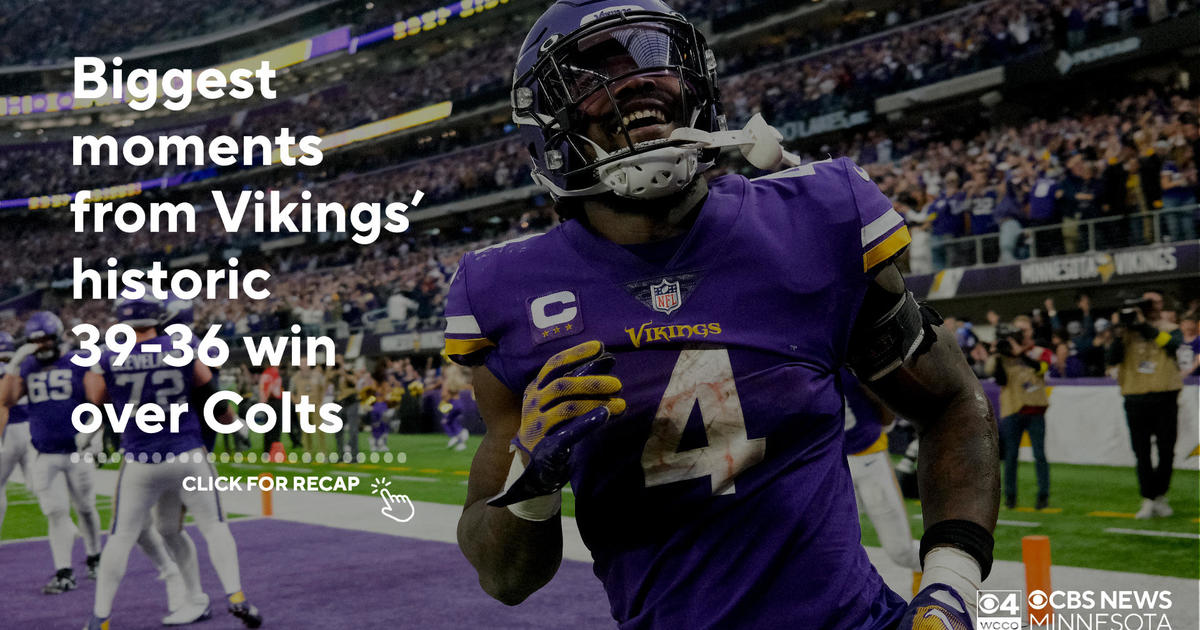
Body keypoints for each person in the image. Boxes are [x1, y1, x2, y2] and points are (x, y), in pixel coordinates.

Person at [448, 3, 1000, 627]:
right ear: (550, 121)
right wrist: (530, 482)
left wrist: (951, 586)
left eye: (655, 60)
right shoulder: (505, 289)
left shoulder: (814, 218)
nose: (636, 80)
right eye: (594, 71)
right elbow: (503, 578)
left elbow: (953, 402)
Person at [83, 295, 263, 629]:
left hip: (140, 458)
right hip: (187, 452)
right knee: (213, 526)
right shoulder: (182, 347)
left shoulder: (109, 354)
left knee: (121, 536)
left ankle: (100, 617)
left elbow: (95, 398)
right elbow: (211, 394)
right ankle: (236, 597)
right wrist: (235, 425)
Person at [841, 369, 922, 593]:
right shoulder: (803, 355)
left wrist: (883, 425)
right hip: (832, 464)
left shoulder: (848, 358)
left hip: (869, 455)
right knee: (834, 550)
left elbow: (885, 396)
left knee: (901, 550)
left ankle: (939, 586)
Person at [1105, 291, 1183, 519]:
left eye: (1157, 301)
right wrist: (1121, 331)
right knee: (1142, 452)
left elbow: (1171, 346)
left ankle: (1159, 494)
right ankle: (1148, 497)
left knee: (1167, 450)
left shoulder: (1169, 327)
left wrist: (1143, 326)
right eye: (1149, 302)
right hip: (1135, 396)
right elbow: (1112, 358)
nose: (1154, 306)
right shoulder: (1125, 332)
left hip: (1165, 394)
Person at [986, 317, 1053, 509]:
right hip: (1011, 408)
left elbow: (1042, 369)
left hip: (1035, 408)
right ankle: (1010, 497)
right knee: (1011, 456)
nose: (1021, 333)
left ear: (1031, 331)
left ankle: (1043, 496)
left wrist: (1020, 354)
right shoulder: (1003, 354)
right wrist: (997, 354)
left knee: (1039, 454)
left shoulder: (1041, 351)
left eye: (1024, 330)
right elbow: (995, 376)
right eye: (1017, 330)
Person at [0, 330, 37, 538]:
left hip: (6, 432)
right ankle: (64, 523)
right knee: (39, 483)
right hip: (30, 429)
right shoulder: (23, 367)